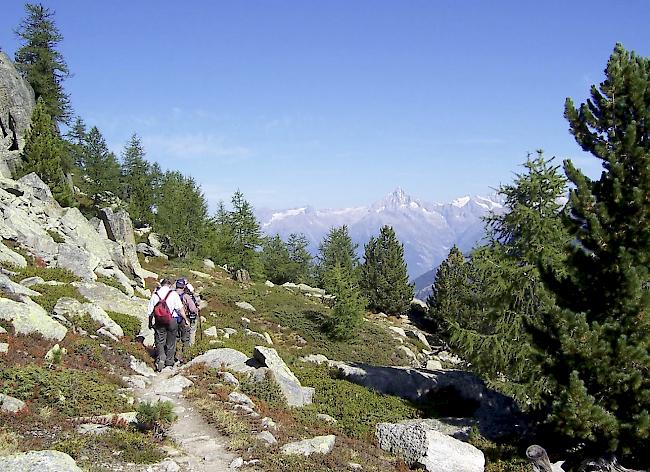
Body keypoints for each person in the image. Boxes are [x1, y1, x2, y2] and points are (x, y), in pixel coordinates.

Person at [147, 278, 189, 371]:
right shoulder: (173, 294)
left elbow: (150, 312)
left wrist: (150, 323)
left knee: (159, 340)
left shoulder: (155, 295)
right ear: (169, 285)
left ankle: (161, 357)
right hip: (172, 320)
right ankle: (169, 362)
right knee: (171, 341)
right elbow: (180, 309)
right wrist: (185, 319)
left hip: (159, 321)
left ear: (161, 284)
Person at [175, 278, 199, 362]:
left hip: (173, 319)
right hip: (185, 319)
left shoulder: (172, 294)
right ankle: (185, 357)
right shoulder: (186, 296)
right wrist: (197, 310)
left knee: (175, 338)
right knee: (186, 339)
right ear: (184, 286)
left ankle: (175, 355)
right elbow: (192, 309)